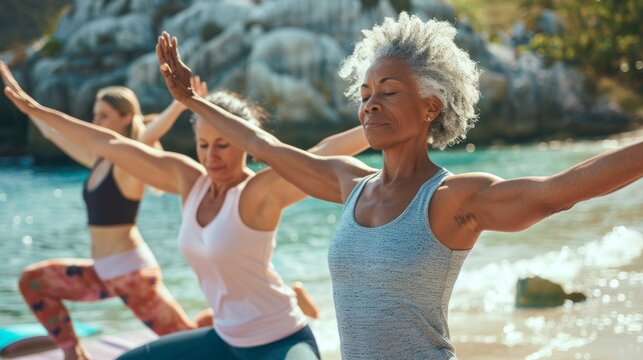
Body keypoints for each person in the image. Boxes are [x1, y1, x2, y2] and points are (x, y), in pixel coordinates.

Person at [149, 12, 642, 359]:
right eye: (364, 95)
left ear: (431, 106)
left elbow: (560, 191)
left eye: (388, 92)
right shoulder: (350, 185)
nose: (370, 105)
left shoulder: (454, 200)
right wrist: (193, 102)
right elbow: (267, 147)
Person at [1, 62, 370, 359]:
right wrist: (38, 111)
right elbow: (110, 143)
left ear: (247, 142)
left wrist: (387, 126)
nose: (212, 157)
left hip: (279, 338)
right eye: (204, 145)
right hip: (223, 340)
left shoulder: (258, 192)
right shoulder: (187, 181)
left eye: (224, 145)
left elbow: (324, 152)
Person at [9, 78, 210, 360]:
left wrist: (179, 104)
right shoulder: (98, 160)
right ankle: (74, 354)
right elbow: (52, 132)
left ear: (126, 118)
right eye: (95, 114)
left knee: (185, 339)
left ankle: (223, 325)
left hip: (132, 276)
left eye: (104, 115)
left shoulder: (131, 164)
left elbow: (149, 135)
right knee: (32, 281)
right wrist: (14, 89)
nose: (96, 121)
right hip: (101, 273)